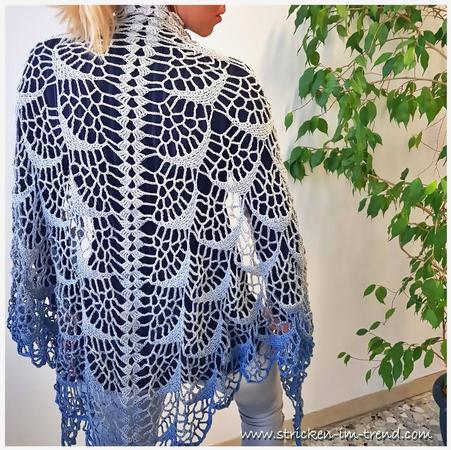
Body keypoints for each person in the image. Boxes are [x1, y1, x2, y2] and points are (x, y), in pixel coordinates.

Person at [7, 4, 314, 446]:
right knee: (263, 407)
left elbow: (32, 222)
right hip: (207, 313)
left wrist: (63, 311)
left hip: (106, 319)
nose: (225, 5)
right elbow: (274, 230)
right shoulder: (230, 83)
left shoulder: (48, 69)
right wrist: (285, 315)